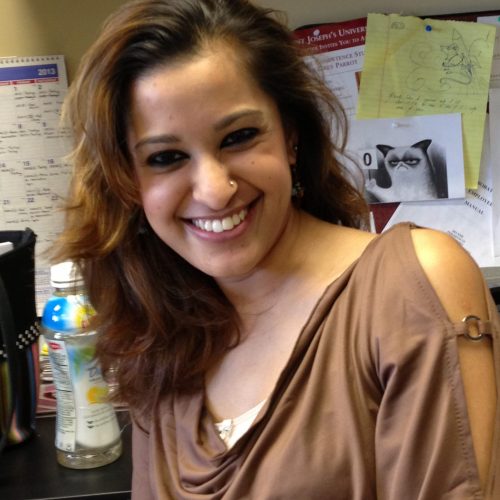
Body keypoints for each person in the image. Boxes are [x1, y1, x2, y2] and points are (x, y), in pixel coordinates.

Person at [54, 0, 499, 498]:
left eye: (239, 137)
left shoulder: (411, 284)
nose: (214, 190)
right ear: (129, 182)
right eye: (166, 157)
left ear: (290, 135)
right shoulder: (161, 332)